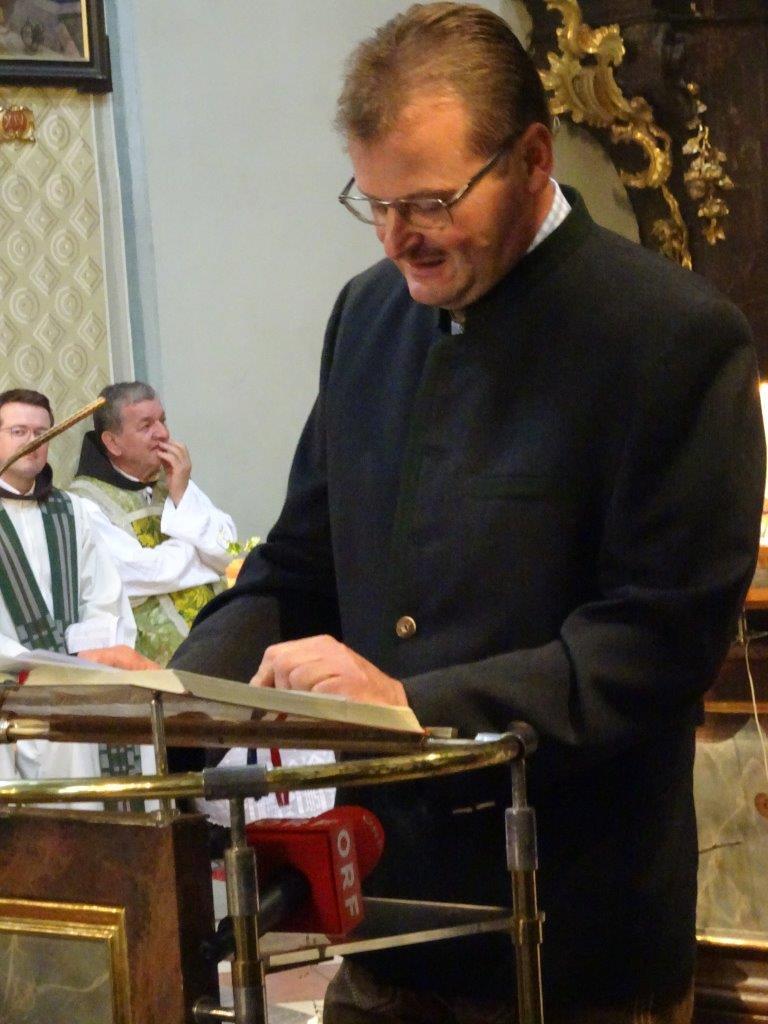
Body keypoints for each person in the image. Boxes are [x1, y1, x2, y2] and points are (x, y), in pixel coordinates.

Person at [171, 4, 765, 1021]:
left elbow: (652, 647)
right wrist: (176, 700)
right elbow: (300, 568)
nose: (398, 237)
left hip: (571, 942)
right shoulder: (368, 316)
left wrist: (413, 705)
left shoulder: (672, 338)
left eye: (431, 201)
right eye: (374, 202)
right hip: (386, 925)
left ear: (533, 160)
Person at [0, 388, 151, 801]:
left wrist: (88, 654)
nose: (33, 442)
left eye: (42, 433)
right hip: (11, 683)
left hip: (77, 676)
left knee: (124, 719)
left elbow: (102, 595)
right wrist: (30, 662)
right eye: (18, 431)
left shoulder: (71, 511)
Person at [69, 381, 237, 666]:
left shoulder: (174, 481)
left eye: (162, 420)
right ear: (113, 442)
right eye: (146, 425)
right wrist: (200, 554)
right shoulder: (85, 502)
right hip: (155, 656)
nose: (163, 433)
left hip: (219, 634)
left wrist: (182, 493)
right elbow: (146, 573)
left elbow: (228, 551)